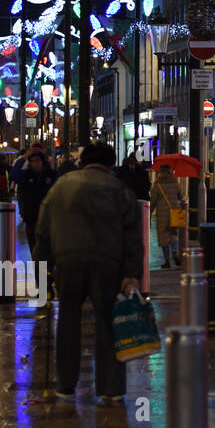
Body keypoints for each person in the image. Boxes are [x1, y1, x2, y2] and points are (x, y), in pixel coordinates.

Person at [34, 142, 141, 405]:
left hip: (68, 260)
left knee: (68, 321)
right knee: (108, 323)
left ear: (84, 161)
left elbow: (43, 226)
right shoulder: (119, 190)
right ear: (110, 164)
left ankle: (66, 385)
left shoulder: (62, 186)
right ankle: (111, 388)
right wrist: (131, 272)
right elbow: (132, 235)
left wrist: (43, 262)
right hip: (108, 262)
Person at [12, 145, 58, 257]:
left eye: (37, 160)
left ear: (42, 161)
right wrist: (24, 157)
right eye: (31, 161)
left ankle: (47, 273)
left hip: (48, 219)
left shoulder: (51, 175)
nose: (34, 163)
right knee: (35, 251)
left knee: (48, 252)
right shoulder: (27, 175)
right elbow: (14, 175)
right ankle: (40, 274)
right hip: (31, 218)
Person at [149, 164, 184, 269]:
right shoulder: (175, 182)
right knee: (173, 234)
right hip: (174, 211)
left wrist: (149, 214)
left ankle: (167, 261)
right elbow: (180, 196)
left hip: (162, 214)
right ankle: (174, 252)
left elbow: (153, 201)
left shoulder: (157, 184)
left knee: (163, 237)